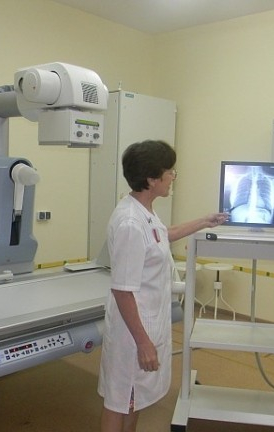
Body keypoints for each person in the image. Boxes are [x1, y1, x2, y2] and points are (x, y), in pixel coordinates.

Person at [97, 140, 228, 432]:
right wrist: (143, 343)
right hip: (133, 331)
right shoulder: (130, 223)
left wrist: (204, 221)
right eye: (170, 172)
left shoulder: (145, 211)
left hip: (146, 322)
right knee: (120, 400)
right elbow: (122, 290)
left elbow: (162, 235)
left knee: (133, 400)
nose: (173, 177)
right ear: (152, 179)